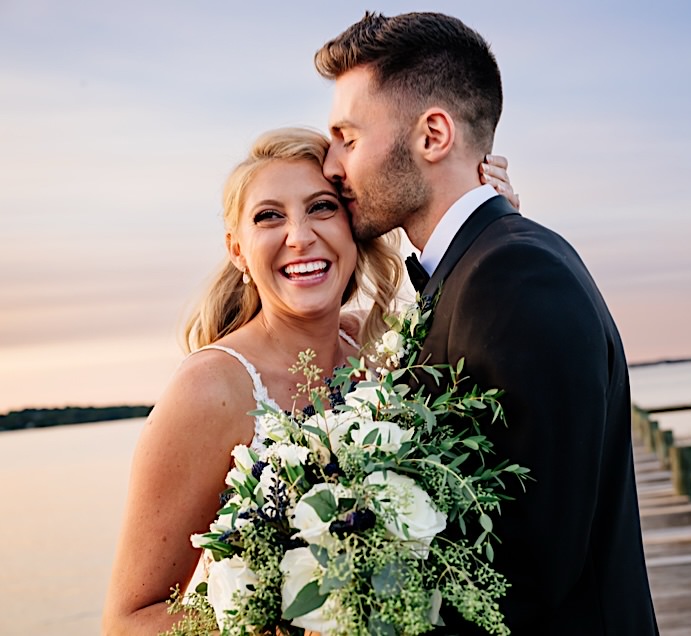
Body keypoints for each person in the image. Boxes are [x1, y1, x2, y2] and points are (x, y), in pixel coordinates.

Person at [315, 11, 657, 633]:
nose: (331, 166)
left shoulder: (514, 277)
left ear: (433, 134)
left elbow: (530, 566)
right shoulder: (483, 267)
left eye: (348, 137)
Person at [101, 127, 515, 634]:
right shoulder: (212, 388)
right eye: (269, 216)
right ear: (237, 250)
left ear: (353, 228)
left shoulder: (389, 347)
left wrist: (492, 230)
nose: (299, 236)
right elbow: (127, 620)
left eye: (321, 207)